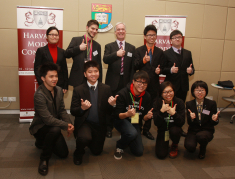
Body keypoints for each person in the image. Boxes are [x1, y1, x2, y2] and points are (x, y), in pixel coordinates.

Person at [29, 62, 74, 176]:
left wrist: (69, 123)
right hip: (41, 126)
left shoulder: (58, 90)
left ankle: (42, 142)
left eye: (56, 76)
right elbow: (48, 120)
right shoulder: (39, 95)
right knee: (55, 130)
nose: (55, 79)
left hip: (54, 125)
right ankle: (44, 159)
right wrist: (65, 126)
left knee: (63, 154)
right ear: (43, 78)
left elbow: (62, 110)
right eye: (51, 76)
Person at [70, 61, 114, 165]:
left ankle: (90, 141)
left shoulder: (106, 88)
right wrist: (82, 108)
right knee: (84, 138)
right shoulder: (78, 89)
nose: (93, 74)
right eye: (90, 72)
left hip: (99, 125)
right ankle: (78, 152)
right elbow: (73, 111)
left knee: (96, 152)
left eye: (96, 71)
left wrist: (112, 105)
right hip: (85, 123)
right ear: (85, 74)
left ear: (99, 73)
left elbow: (109, 112)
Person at [103, 22, 136, 138]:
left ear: (125, 32)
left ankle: (124, 127)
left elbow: (133, 67)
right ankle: (108, 127)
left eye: (123, 29)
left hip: (126, 82)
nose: (121, 31)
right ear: (115, 32)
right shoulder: (109, 46)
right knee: (110, 105)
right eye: (118, 29)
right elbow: (105, 59)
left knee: (124, 105)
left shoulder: (132, 48)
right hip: (112, 82)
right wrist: (116, 54)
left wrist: (132, 82)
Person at [162, 29, 195, 137]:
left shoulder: (188, 53)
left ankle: (179, 128)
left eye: (179, 37)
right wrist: (170, 70)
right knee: (168, 107)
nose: (177, 39)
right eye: (175, 37)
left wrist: (191, 71)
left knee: (180, 108)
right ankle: (167, 127)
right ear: (171, 40)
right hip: (171, 87)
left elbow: (192, 68)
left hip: (183, 86)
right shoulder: (166, 53)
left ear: (182, 39)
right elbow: (161, 69)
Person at [113, 70, 153, 160]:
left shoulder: (147, 96)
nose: (142, 85)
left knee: (138, 152)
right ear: (133, 81)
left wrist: (147, 117)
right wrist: (127, 114)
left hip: (135, 122)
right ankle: (119, 146)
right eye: (139, 82)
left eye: (145, 83)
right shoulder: (123, 93)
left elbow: (144, 117)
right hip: (121, 120)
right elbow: (117, 115)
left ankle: (127, 136)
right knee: (132, 133)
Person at [134, 25, 164, 140]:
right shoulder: (139, 50)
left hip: (154, 85)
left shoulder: (160, 52)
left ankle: (146, 130)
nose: (152, 37)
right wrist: (143, 60)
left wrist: (159, 71)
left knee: (150, 108)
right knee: (137, 106)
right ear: (145, 36)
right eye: (149, 35)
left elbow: (163, 67)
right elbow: (135, 66)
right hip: (140, 85)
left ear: (156, 37)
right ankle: (135, 127)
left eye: (154, 35)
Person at [185, 80, 219, 159]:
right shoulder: (189, 104)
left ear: (206, 91)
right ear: (193, 92)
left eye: (202, 90)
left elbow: (214, 122)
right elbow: (189, 122)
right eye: (197, 90)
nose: (199, 92)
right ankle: (195, 141)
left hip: (206, 130)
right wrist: (191, 118)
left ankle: (202, 148)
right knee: (190, 147)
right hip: (193, 130)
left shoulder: (211, 104)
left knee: (202, 136)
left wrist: (215, 119)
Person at [65, 19, 102, 87]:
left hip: (92, 78)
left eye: (96, 29)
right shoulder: (76, 40)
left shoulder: (97, 46)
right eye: (92, 28)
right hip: (78, 78)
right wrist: (78, 48)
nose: (94, 31)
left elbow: (99, 64)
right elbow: (66, 54)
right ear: (87, 28)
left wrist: (100, 82)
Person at [153, 81, 185, 159]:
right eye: (165, 92)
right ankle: (164, 143)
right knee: (161, 155)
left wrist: (174, 114)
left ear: (174, 91)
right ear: (161, 93)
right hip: (163, 130)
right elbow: (156, 123)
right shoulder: (157, 102)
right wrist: (161, 111)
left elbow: (181, 122)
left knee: (175, 131)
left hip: (175, 128)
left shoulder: (179, 102)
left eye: (170, 91)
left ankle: (175, 144)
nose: (168, 94)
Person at [34, 26, 68, 93]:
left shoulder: (62, 52)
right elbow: (37, 68)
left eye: (56, 35)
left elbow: (64, 69)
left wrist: (65, 85)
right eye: (51, 34)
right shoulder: (41, 50)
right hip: (46, 84)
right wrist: (42, 83)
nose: (54, 36)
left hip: (59, 84)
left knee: (58, 103)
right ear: (47, 36)